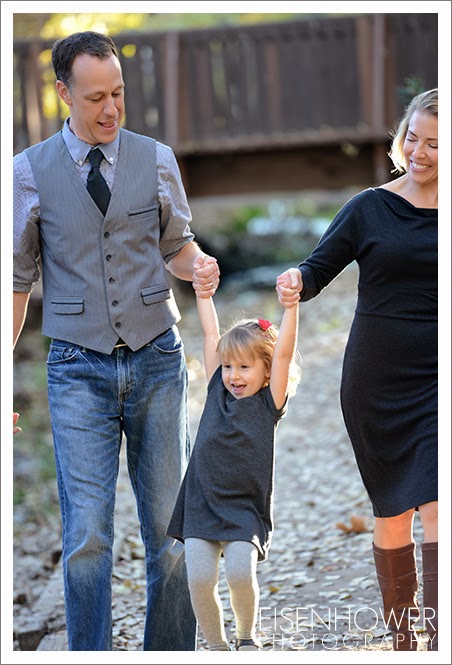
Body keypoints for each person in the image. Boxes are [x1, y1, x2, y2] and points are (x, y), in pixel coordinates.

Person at [13, 31, 220, 651]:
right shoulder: (26, 174)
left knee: (172, 533)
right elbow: (16, 283)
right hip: (76, 366)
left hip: (158, 357)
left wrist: (199, 264)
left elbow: (176, 247)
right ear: (63, 94)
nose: (111, 109)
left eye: (118, 93)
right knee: (86, 538)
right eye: (96, 97)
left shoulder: (156, 159)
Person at [276, 88, 438, 651]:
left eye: (434, 144)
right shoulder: (369, 207)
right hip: (377, 380)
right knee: (392, 512)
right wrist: (295, 281)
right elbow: (317, 269)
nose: (418, 152)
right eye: (413, 138)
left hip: (439, 378)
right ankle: (405, 644)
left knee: (438, 503)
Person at [166, 260, 301, 651]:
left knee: (241, 573)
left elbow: (284, 354)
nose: (233, 375)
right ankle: (217, 648)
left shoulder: (269, 403)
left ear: (266, 370)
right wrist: (203, 295)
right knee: (198, 578)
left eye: (244, 367)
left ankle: (246, 638)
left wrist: (291, 308)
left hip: (244, 507)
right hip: (201, 502)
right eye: (228, 366)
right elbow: (211, 335)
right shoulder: (216, 392)